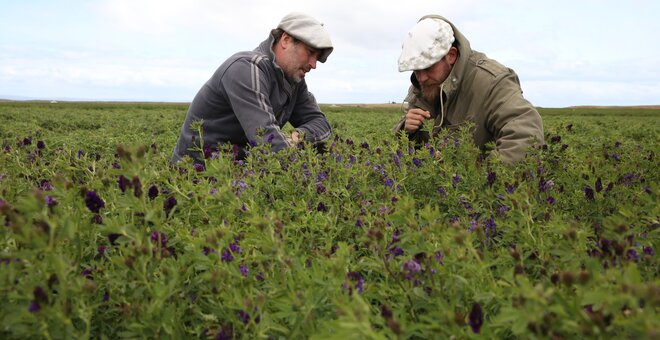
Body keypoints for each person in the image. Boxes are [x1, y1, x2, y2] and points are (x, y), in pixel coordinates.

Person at [172, 12, 334, 164]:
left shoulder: (293, 81)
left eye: (317, 58)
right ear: (285, 40)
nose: (313, 65)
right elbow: (266, 139)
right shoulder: (247, 69)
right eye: (310, 52)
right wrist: (302, 176)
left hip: (241, 172)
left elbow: (321, 124)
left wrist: (296, 136)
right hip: (198, 175)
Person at [393, 15, 544, 163]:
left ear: (451, 55)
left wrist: (484, 179)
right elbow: (412, 158)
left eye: (428, 67)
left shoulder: (492, 82)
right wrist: (408, 131)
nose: (422, 77)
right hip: (442, 186)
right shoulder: (422, 87)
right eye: (416, 70)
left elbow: (525, 136)